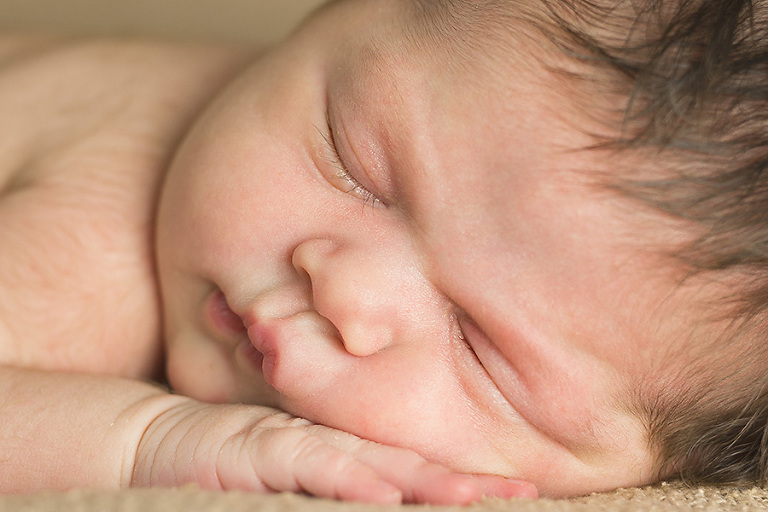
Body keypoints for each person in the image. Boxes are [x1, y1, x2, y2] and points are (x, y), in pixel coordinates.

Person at [0, 0, 766, 501]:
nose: (343, 292)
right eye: (356, 166)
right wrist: (141, 442)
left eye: (480, 347)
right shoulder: (88, 258)